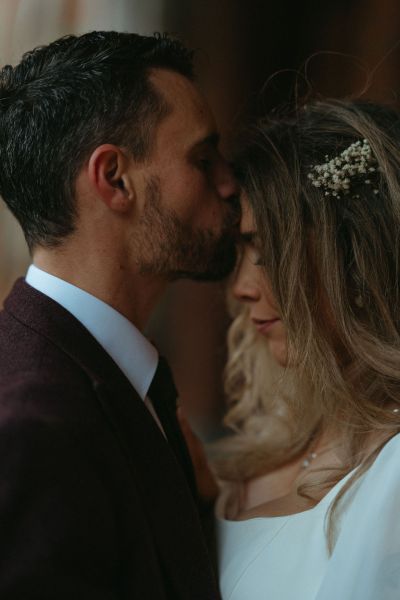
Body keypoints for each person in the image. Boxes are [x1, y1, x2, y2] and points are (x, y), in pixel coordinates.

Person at [0, 31, 239, 599]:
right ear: (114, 179)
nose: (229, 184)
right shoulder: (34, 429)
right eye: (203, 160)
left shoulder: (96, 375)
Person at [182, 99, 400, 600]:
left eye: (268, 253)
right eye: (241, 253)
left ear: (356, 260)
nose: (240, 287)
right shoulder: (248, 453)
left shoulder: (389, 474)